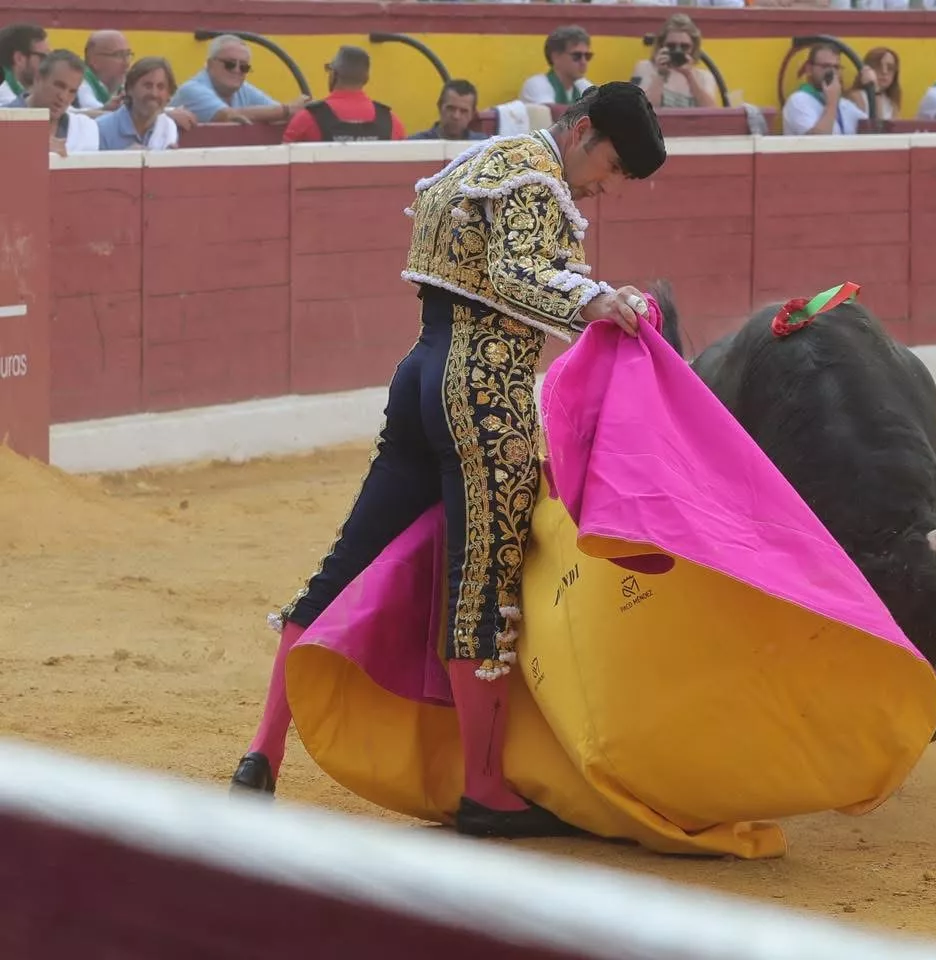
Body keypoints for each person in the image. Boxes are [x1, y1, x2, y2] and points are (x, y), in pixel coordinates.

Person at [229, 82, 668, 839]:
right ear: (584, 129)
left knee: (345, 567)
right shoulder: (536, 173)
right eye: (612, 166)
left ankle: (261, 752)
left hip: (422, 371)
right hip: (484, 385)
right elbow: (514, 273)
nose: (606, 186)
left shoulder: (487, 157)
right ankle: (488, 791)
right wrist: (598, 300)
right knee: (484, 588)